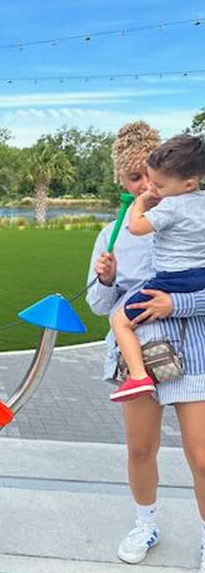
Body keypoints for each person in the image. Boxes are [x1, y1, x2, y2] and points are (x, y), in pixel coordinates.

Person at [86, 121, 205, 573]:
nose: (146, 188)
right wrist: (109, 278)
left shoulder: (196, 216)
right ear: (124, 182)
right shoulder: (115, 232)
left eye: (150, 178)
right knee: (140, 448)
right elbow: (100, 305)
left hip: (193, 347)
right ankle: (145, 524)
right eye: (135, 180)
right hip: (137, 352)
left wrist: (178, 303)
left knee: (201, 455)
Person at [110, 134, 205, 402]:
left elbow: (137, 227)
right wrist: (108, 279)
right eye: (137, 178)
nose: (152, 189)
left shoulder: (172, 205)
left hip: (173, 282)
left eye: (158, 184)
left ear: (188, 183)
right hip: (200, 276)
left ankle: (138, 377)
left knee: (119, 320)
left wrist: (139, 204)